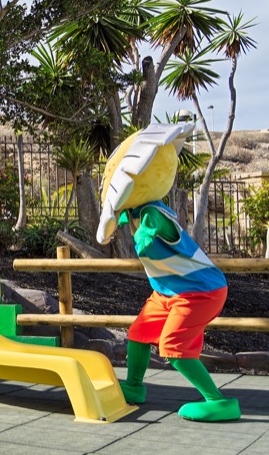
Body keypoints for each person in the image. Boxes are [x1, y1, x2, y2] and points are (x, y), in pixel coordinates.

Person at [97, 123, 239, 422]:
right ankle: (134, 386)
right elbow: (115, 219)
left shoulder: (154, 213)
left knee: (173, 347)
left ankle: (219, 402)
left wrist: (145, 235)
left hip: (199, 290)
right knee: (138, 334)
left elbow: (155, 230)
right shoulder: (135, 211)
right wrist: (111, 220)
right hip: (167, 292)